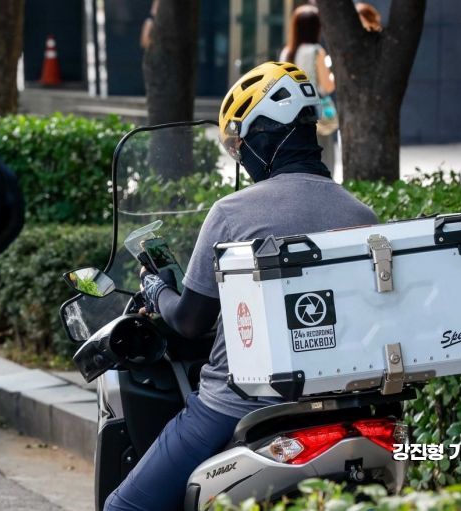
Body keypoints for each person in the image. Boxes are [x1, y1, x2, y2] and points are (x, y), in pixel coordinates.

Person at [104, 62, 378, 510]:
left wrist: (155, 288)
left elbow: (191, 321)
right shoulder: (361, 215)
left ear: (268, 138)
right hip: (343, 411)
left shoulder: (234, 213)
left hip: (238, 406)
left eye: (241, 144)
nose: (242, 157)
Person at [279, 5, 336, 173]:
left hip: (291, 116)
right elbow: (327, 86)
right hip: (316, 117)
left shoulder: (287, 53)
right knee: (323, 163)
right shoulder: (316, 51)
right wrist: (334, 75)